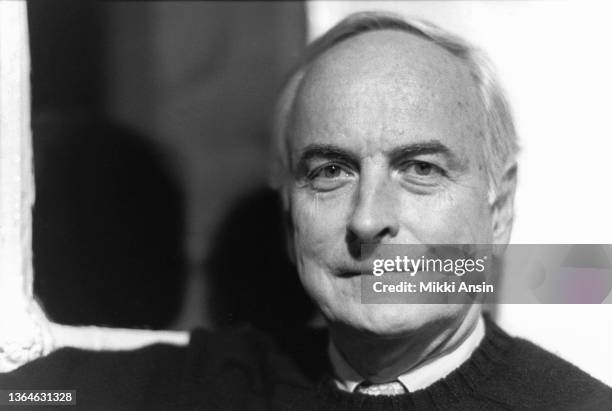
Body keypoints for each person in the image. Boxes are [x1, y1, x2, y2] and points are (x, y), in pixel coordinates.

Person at [1, 12, 610, 410]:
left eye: (420, 169)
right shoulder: (215, 386)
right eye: (330, 172)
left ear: (498, 209)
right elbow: (35, 397)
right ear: (289, 212)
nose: (368, 219)